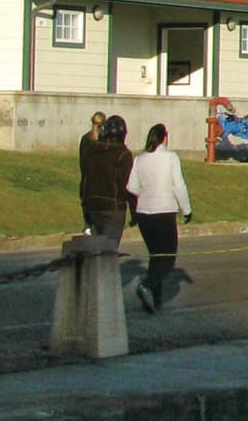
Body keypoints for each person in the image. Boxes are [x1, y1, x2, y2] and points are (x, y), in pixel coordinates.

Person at [126, 123, 192, 313]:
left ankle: (156, 299)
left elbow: (131, 186)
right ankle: (147, 285)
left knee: (155, 256)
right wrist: (186, 209)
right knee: (168, 256)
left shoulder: (140, 158)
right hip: (164, 211)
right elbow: (178, 185)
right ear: (165, 137)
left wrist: (146, 193)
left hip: (144, 212)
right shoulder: (171, 157)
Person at [79, 114, 132, 242]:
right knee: (108, 250)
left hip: (91, 205)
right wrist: (134, 211)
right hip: (113, 207)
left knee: (95, 249)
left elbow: (85, 176)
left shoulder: (90, 149)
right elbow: (127, 184)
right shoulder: (123, 154)